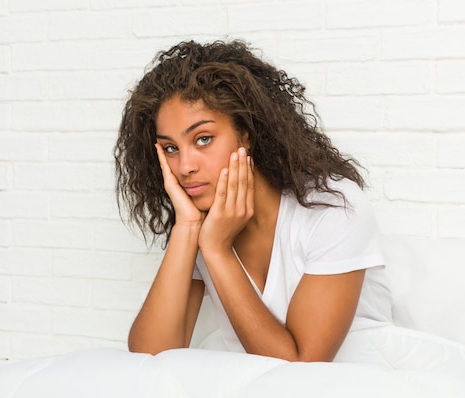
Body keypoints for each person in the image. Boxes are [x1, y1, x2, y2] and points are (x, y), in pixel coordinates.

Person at [114, 39, 384, 362]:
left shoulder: (335, 210)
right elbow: (148, 357)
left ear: (246, 133)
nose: (185, 166)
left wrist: (217, 250)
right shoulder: (203, 219)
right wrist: (186, 228)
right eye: (171, 148)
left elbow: (302, 369)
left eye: (203, 139)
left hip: (360, 385)